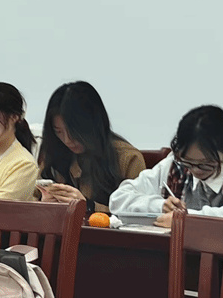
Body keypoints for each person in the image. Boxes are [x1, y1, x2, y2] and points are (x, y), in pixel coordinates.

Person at [110, 105, 223, 226]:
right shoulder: (174, 165)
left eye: (205, 165)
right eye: (188, 162)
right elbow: (118, 199)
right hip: (179, 258)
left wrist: (187, 220)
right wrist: (159, 206)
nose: (194, 170)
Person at [37, 81, 145, 214]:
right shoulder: (53, 152)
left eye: (73, 132)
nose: (67, 140)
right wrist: (44, 204)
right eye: (58, 131)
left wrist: (89, 206)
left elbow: (137, 214)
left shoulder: (128, 158)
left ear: (93, 125)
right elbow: (31, 202)